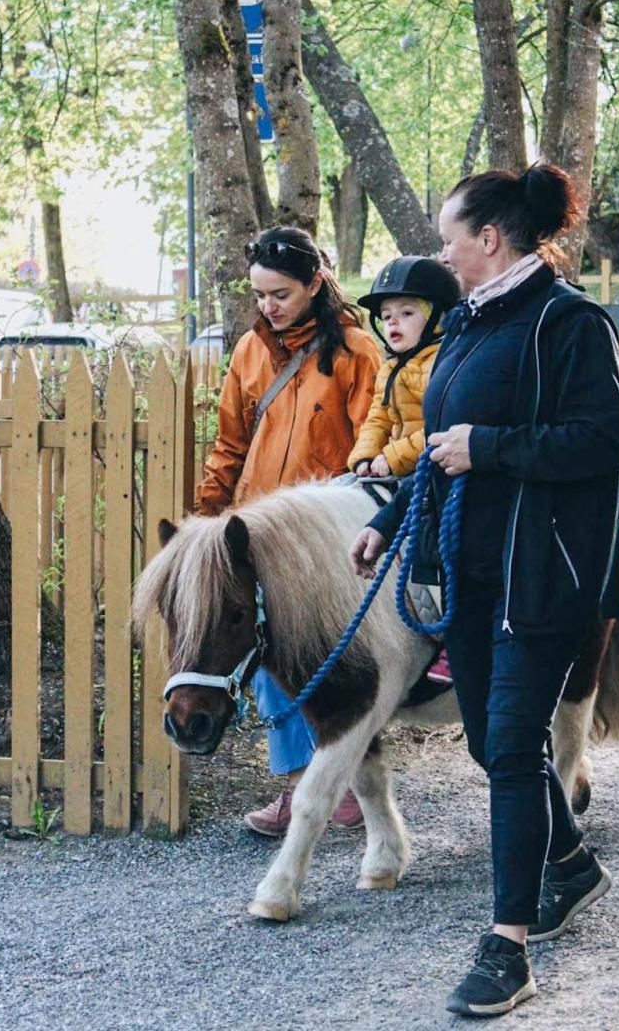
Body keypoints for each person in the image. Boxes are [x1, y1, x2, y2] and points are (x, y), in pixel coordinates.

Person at [349, 163, 619, 1017]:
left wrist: (492, 447)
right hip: (469, 571)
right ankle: (570, 864)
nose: (441, 253)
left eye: (448, 239)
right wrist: (389, 520)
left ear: (490, 237)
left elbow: (602, 442)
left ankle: (507, 948)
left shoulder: (568, 321)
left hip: (543, 575)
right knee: (486, 742)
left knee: (509, 747)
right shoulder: (472, 322)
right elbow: (443, 447)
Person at [197, 225, 382, 837]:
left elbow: (369, 448)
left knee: (319, 661)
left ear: (315, 284)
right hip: (253, 531)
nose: (268, 306)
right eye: (259, 295)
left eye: (281, 294)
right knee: (266, 657)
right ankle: (305, 787)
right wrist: (207, 516)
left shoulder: (356, 351)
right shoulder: (250, 351)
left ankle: (331, 785)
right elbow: (230, 443)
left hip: (321, 535)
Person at [348, 255, 459, 686]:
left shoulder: (440, 362)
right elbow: (376, 417)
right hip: (393, 469)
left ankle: (448, 637)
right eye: (387, 315)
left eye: (407, 313)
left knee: (434, 543)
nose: (394, 323)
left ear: (438, 317)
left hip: (432, 468)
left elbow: (438, 427)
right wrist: (363, 457)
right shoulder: (391, 365)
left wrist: (391, 458)